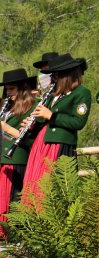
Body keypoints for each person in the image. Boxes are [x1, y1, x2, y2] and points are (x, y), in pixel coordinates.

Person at [21, 54, 92, 202]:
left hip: (59, 144)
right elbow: (43, 118)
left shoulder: (81, 92)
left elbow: (78, 122)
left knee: (53, 186)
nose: (52, 79)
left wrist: (52, 116)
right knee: (35, 182)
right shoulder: (53, 95)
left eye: (55, 76)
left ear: (65, 76)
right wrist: (33, 124)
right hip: (42, 143)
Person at [0, 68, 39, 224]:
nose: (8, 93)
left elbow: (32, 139)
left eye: (12, 89)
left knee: (13, 202)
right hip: (2, 160)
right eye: (6, 89)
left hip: (16, 160)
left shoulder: (33, 107)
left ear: (22, 89)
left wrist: (7, 129)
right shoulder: (5, 106)